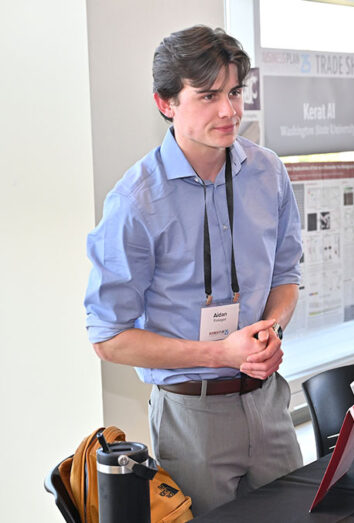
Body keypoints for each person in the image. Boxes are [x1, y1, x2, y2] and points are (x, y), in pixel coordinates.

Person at [84, 25, 303, 515]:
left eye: (234, 92)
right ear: (166, 103)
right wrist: (220, 352)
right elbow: (108, 336)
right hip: (190, 412)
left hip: (269, 402)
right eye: (207, 96)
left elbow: (287, 275)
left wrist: (270, 330)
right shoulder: (135, 202)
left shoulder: (269, 172)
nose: (228, 111)